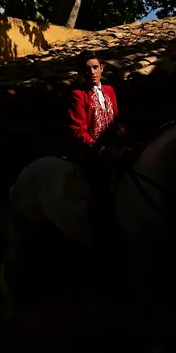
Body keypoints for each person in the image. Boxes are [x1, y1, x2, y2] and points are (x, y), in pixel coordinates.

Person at [68, 49, 130, 256]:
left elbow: (116, 121)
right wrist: (101, 150)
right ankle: (102, 241)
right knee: (101, 192)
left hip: (113, 148)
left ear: (102, 69)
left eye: (95, 67)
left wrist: (123, 135)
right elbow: (78, 130)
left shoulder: (110, 90)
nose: (92, 72)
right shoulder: (78, 95)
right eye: (88, 69)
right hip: (92, 153)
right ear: (82, 73)